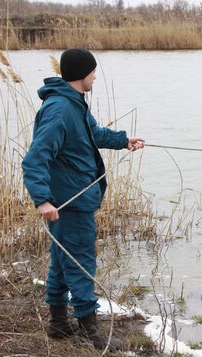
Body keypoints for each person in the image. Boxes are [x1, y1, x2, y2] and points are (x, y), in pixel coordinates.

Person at [22, 48, 145, 350]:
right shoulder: (60, 110)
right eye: (92, 71)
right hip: (69, 203)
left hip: (73, 201)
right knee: (81, 264)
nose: (95, 76)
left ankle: (58, 324)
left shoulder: (73, 103)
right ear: (81, 74)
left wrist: (122, 141)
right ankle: (90, 333)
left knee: (62, 263)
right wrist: (42, 200)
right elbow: (34, 159)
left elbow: (93, 134)